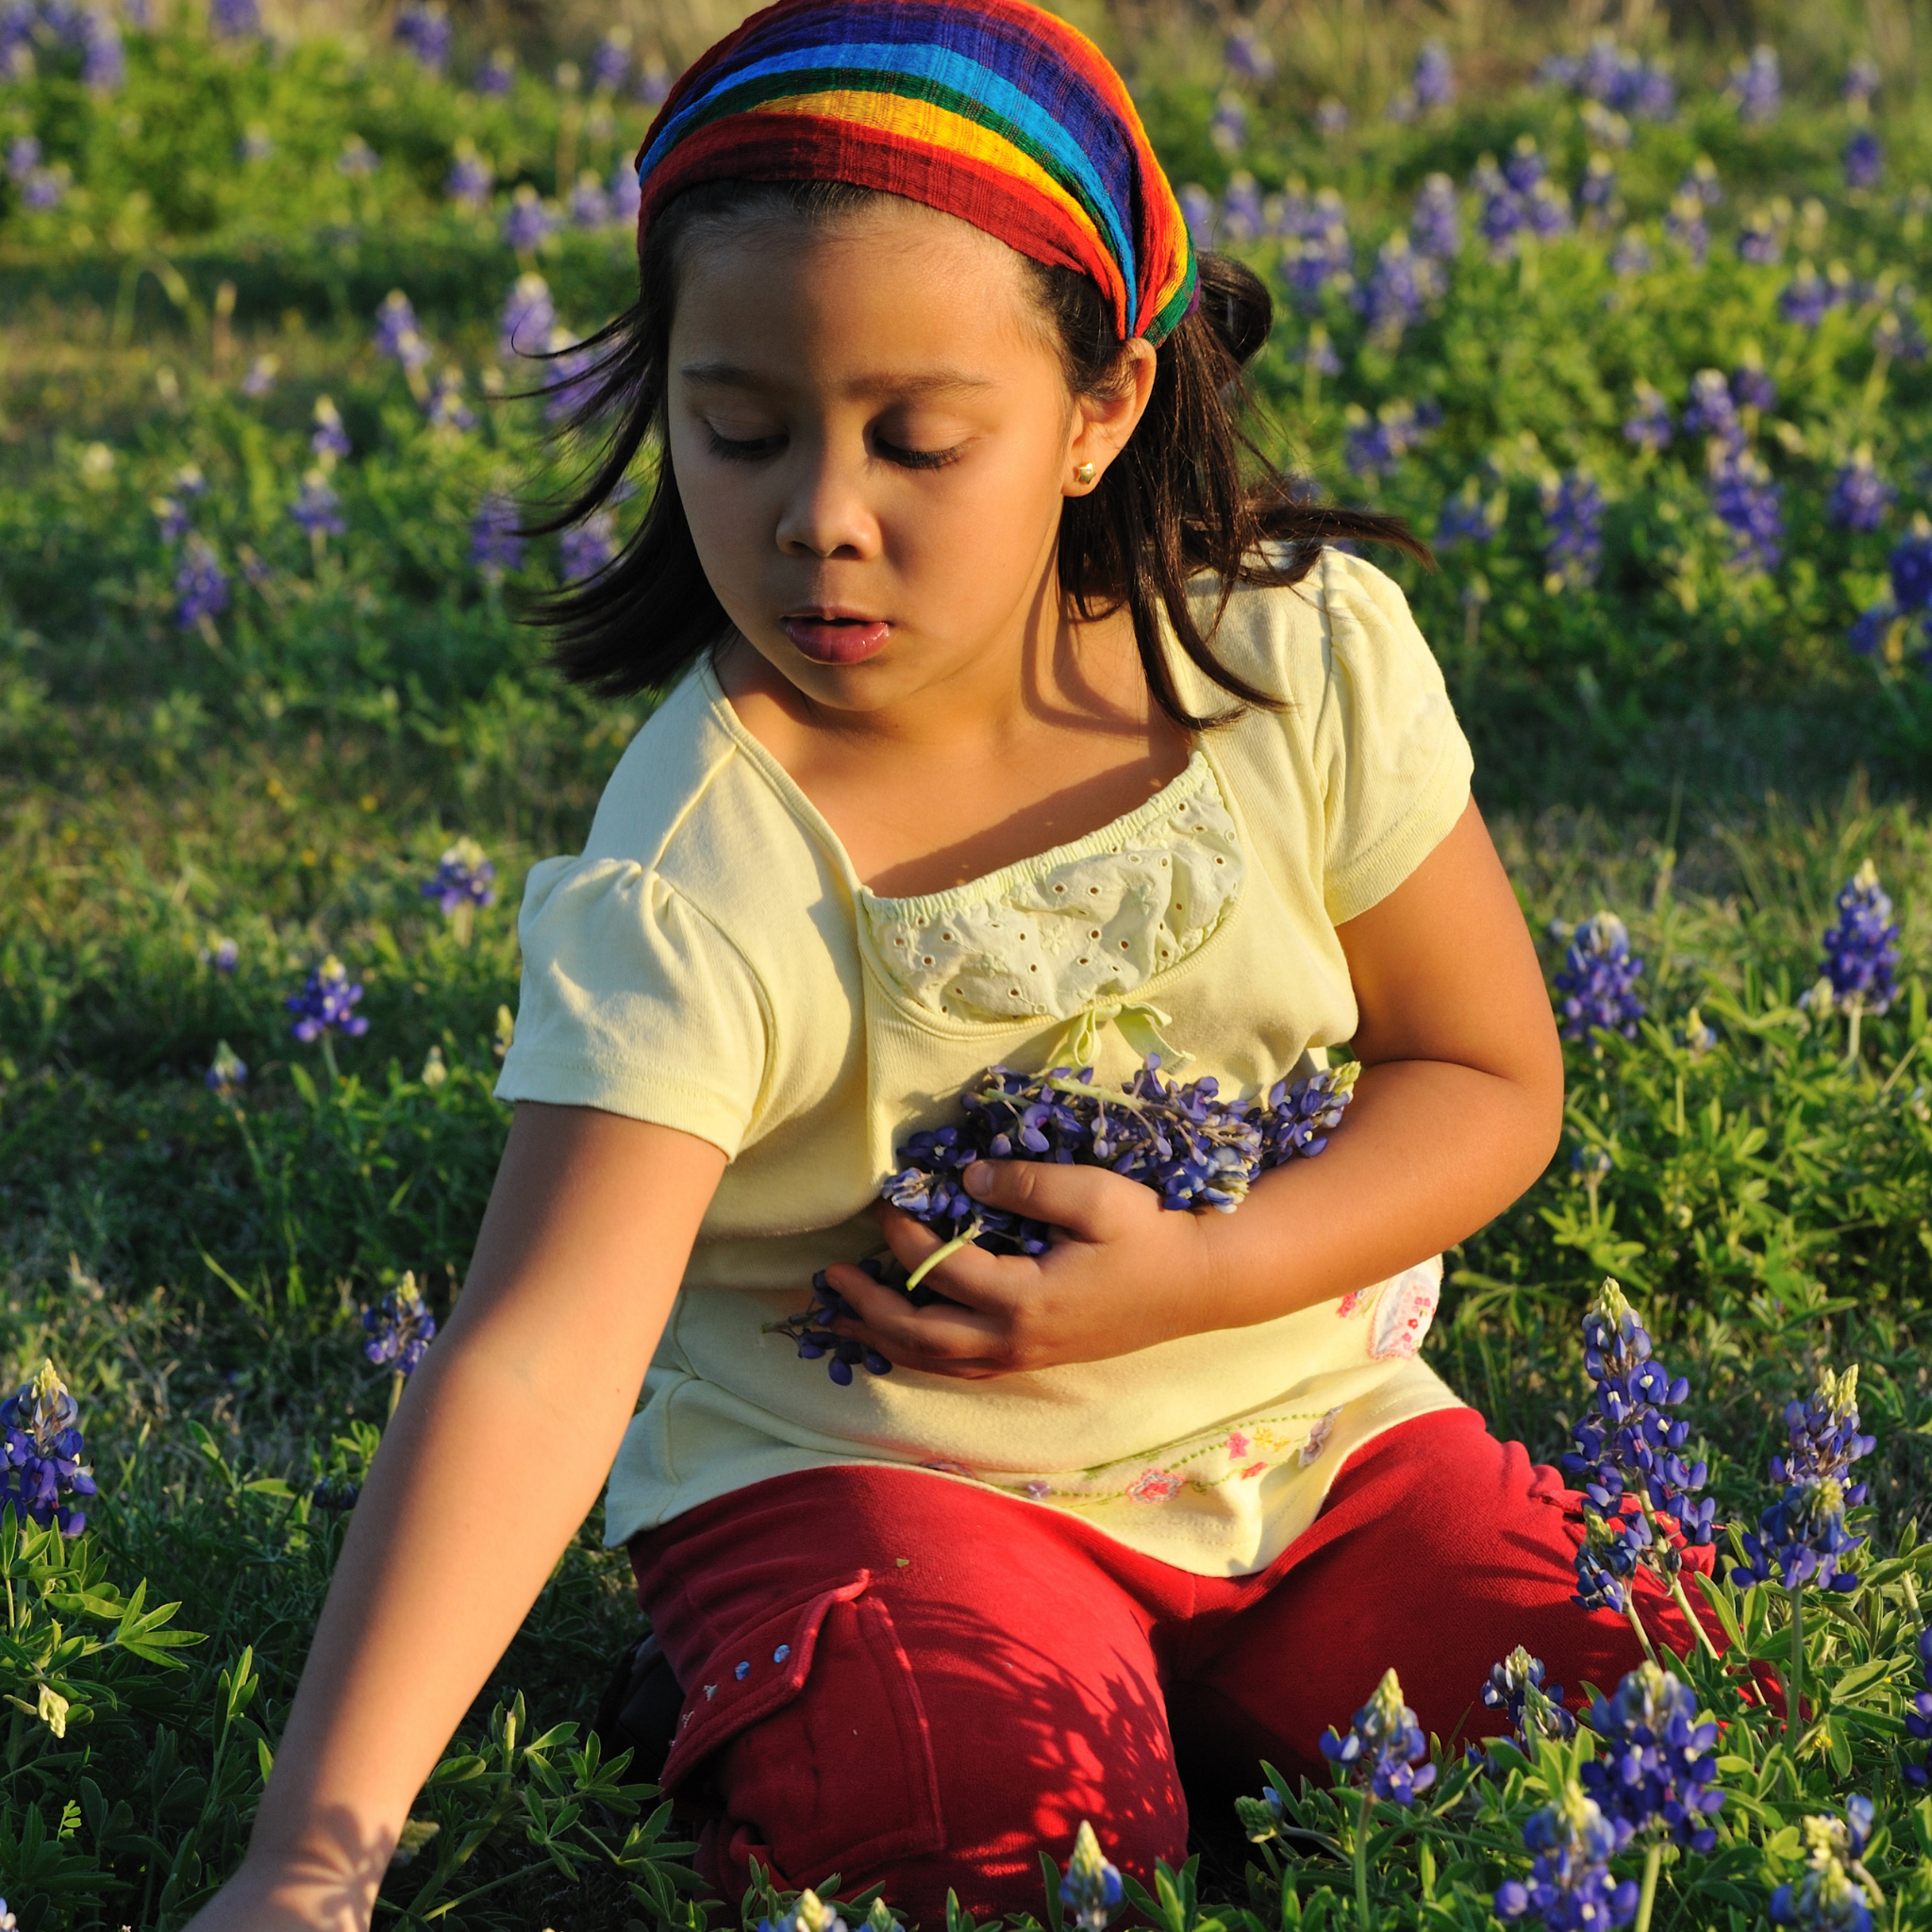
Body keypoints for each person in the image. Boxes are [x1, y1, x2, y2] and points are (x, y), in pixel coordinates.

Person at [188, 4, 1708, 1926]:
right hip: (868, 1474)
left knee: (1657, 1737)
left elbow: (1486, 1076)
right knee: (967, 1836)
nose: (819, 511)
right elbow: (537, 1354)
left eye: (917, 439)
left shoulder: (1289, 668)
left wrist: (1209, 1275)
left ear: (1102, 408)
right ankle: (800, 1688)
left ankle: (1160, 1701)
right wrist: (311, 1862)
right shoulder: (705, 860)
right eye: (739, 428)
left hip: (1305, 1438)